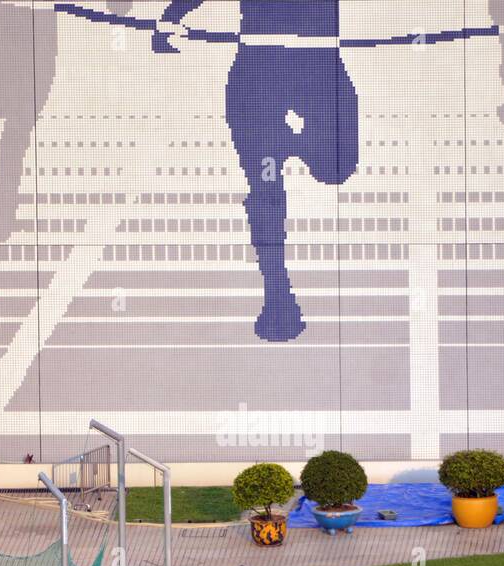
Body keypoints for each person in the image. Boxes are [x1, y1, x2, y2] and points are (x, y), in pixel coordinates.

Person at [154, 1, 359, 342]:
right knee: (267, 187)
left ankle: (283, 147)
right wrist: (172, 18)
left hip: (313, 68)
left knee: (336, 166)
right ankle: (275, 290)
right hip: (264, 72)